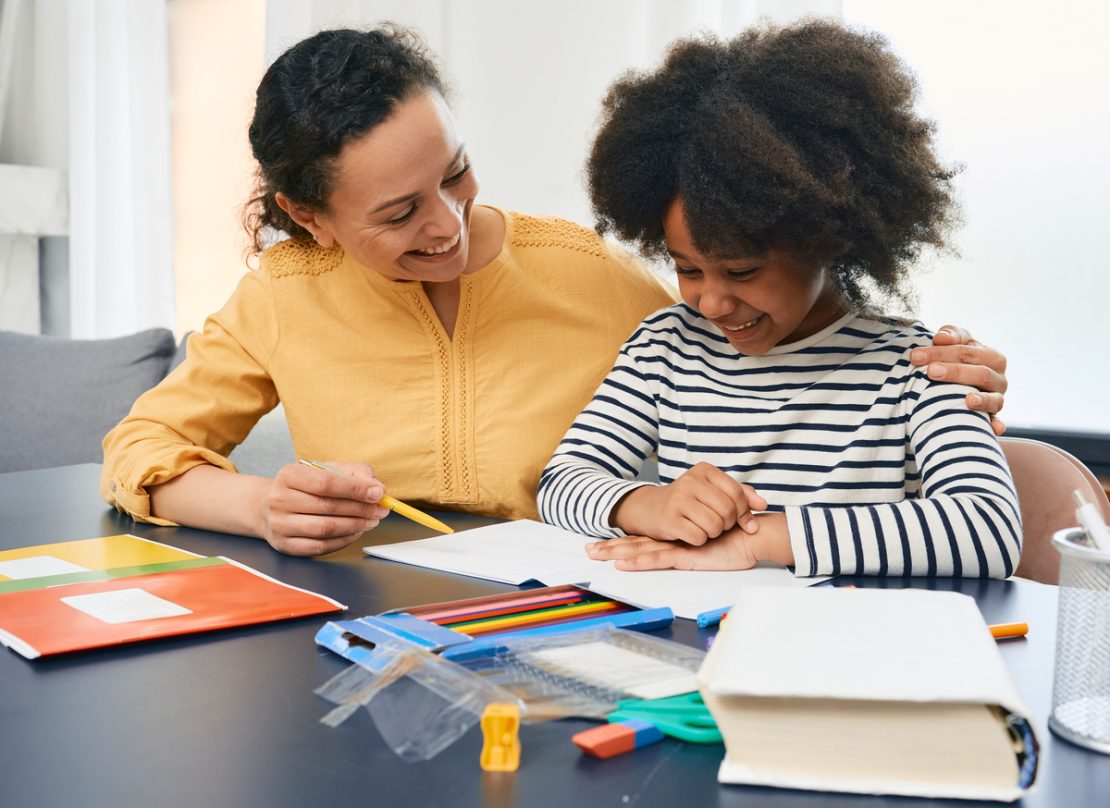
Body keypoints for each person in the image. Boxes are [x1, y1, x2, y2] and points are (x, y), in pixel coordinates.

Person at [102, 25, 1009, 557]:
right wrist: (261, 507)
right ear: (311, 217)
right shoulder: (281, 296)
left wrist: (952, 384)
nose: (449, 226)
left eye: (456, 175)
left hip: (576, 613)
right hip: (373, 620)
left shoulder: (596, 277)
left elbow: (749, 331)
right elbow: (142, 447)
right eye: (399, 213)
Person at [537, 20, 1020, 579]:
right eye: (686, 268)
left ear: (827, 236)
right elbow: (561, 483)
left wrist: (762, 539)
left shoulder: (921, 368)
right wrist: (644, 504)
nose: (711, 303)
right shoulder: (665, 348)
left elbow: (989, 529)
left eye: (742, 270)